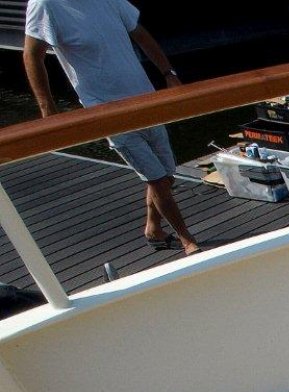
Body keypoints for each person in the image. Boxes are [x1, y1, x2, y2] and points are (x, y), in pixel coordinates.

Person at [24, 0, 199, 254]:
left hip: (144, 100)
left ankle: (153, 229)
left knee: (167, 176)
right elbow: (31, 55)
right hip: (106, 111)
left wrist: (169, 74)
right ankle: (187, 240)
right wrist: (47, 109)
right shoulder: (46, 4)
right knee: (158, 180)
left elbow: (140, 33)